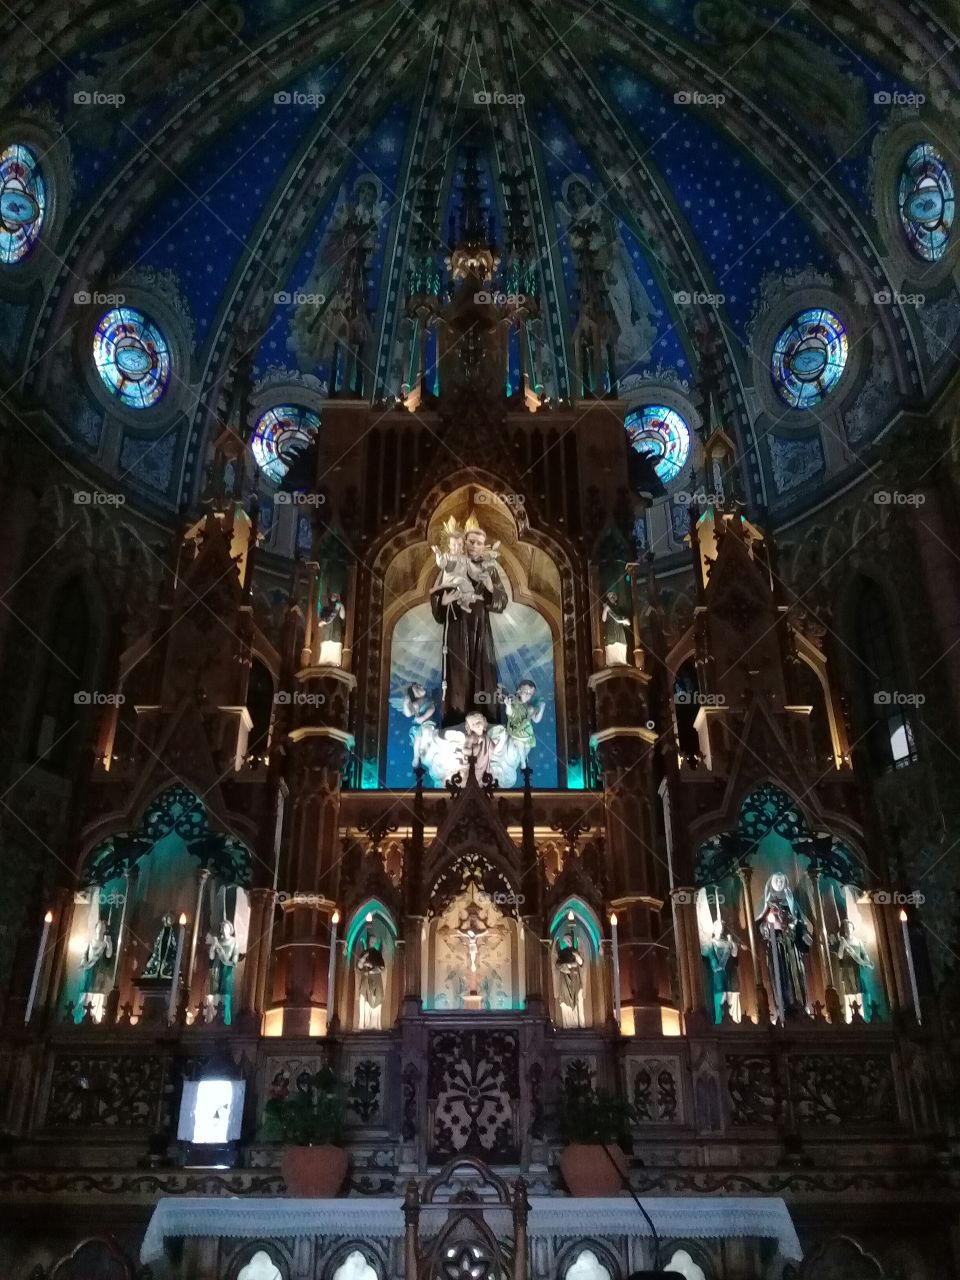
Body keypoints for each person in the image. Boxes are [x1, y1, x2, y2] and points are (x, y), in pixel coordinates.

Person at [430, 517, 507, 727]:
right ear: (464, 542)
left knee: (482, 668)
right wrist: (444, 601)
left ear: (484, 546)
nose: (474, 546)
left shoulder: (489, 569)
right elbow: (438, 595)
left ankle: (485, 720)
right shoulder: (453, 563)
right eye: (471, 541)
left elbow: (502, 602)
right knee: (458, 672)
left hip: (480, 626)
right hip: (456, 624)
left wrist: (491, 587)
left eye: (479, 543)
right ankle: (456, 720)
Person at [756, 873, 812, 1020]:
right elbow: (760, 926)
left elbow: (800, 921)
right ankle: (784, 1009)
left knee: (797, 975)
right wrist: (771, 925)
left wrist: (800, 930)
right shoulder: (766, 903)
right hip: (777, 946)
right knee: (780, 975)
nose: (779, 882)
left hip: (792, 946)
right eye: (776, 880)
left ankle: (801, 1006)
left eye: (781, 880)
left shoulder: (791, 901)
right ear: (771, 883)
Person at [702, 918, 741, 1023]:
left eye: (721, 926)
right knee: (719, 994)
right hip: (717, 972)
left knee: (730, 994)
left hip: (728, 972)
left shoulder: (727, 942)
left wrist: (731, 942)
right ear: (714, 928)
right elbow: (709, 955)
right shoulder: (711, 942)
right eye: (717, 926)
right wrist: (716, 964)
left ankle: (732, 1018)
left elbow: (734, 954)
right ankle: (720, 1019)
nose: (720, 927)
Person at [834, 919, 874, 1022]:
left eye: (850, 927)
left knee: (860, 988)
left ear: (853, 928)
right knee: (850, 989)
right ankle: (852, 1015)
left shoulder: (858, 941)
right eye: (846, 927)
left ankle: (863, 1015)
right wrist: (842, 947)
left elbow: (864, 953)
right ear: (844, 930)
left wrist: (866, 961)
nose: (848, 929)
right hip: (848, 969)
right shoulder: (843, 941)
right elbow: (840, 956)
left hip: (858, 968)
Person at [504, 679, 545, 769]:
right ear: (518, 691)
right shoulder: (514, 703)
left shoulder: (529, 707)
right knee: (519, 743)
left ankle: (521, 759)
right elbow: (510, 713)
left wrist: (541, 709)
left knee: (527, 746)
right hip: (516, 730)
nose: (527, 695)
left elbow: (536, 720)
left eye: (530, 693)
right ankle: (523, 761)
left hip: (527, 732)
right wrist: (508, 706)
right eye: (525, 691)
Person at [555, 930, 585, 1027]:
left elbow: (580, 963)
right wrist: (568, 965)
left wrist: (576, 956)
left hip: (575, 978)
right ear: (565, 941)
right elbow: (558, 964)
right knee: (565, 1000)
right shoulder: (562, 953)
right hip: (565, 979)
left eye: (570, 939)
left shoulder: (575, 951)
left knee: (577, 998)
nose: (570, 941)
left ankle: (578, 1023)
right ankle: (567, 1024)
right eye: (567, 940)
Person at [402, 682, 436, 766]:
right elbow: (408, 714)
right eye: (417, 687)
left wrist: (423, 717)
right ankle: (416, 757)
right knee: (417, 741)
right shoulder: (415, 704)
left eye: (419, 685)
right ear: (414, 694)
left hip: (428, 722)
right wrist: (406, 704)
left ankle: (427, 752)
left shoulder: (428, 700)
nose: (421, 686)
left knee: (426, 733)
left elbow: (432, 709)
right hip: (418, 725)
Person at [356, 933, 386, 1029]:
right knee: (363, 998)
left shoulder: (377, 954)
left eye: (374, 941)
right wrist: (363, 958)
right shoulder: (364, 953)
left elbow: (382, 968)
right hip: (366, 979)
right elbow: (359, 966)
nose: (372, 942)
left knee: (375, 999)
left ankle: (374, 1024)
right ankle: (363, 1024)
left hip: (376, 980)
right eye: (371, 940)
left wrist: (372, 967)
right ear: (368, 941)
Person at [601, 590, 631, 665]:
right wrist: (605, 610)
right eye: (610, 597)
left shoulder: (620, 610)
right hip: (611, 636)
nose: (612, 598)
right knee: (611, 658)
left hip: (620, 636)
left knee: (622, 658)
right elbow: (603, 619)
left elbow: (628, 622)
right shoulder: (607, 609)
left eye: (613, 596)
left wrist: (622, 621)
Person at [316, 592, 346, 666]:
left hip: (336, 632)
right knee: (325, 648)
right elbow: (321, 621)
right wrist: (322, 622)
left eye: (335, 596)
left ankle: (335, 663)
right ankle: (323, 663)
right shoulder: (325, 608)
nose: (334, 597)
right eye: (332, 595)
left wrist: (341, 607)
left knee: (335, 648)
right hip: (326, 633)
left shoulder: (339, 607)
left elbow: (342, 617)